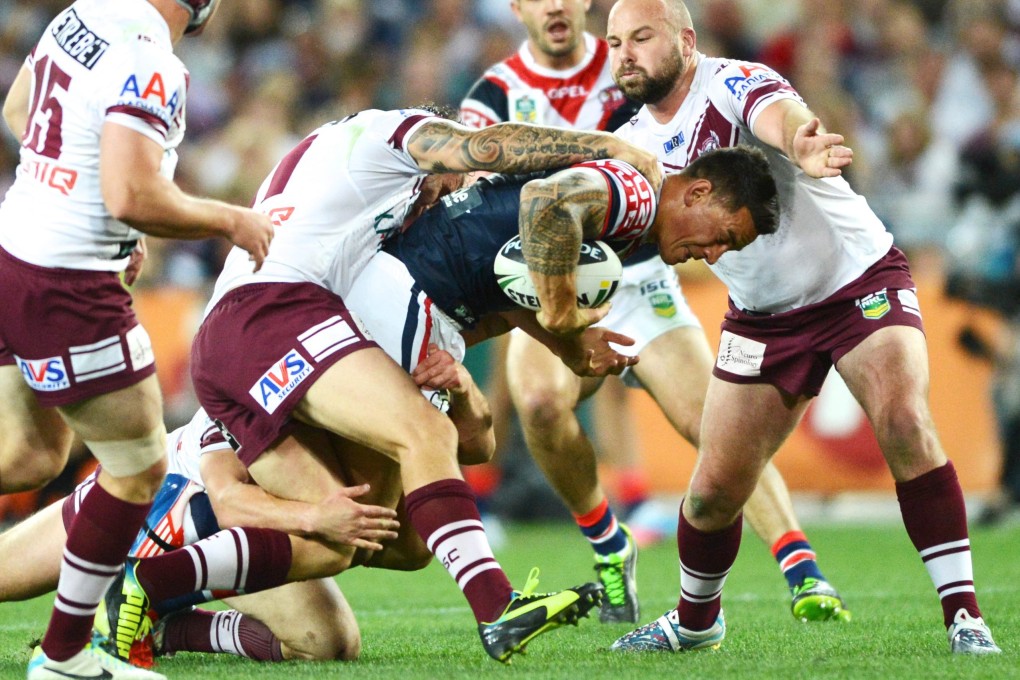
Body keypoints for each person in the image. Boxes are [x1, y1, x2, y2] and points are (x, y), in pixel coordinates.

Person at [107, 107, 662, 665]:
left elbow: (480, 425)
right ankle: (498, 608)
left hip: (254, 327)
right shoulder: (391, 133)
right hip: (271, 311)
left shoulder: (369, 216)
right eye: (453, 182)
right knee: (422, 432)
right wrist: (604, 147)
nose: (451, 198)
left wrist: (566, 346)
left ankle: (150, 587)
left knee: (363, 541)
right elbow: (488, 146)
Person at [602, 0, 1000, 655]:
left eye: (642, 37)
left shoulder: (730, 81)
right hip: (761, 316)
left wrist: (802, 142)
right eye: (616, 42)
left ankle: (965, 617)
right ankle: (696, 624)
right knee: (712, 494)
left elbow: (778, 115)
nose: (626, 54)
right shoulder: (634, 147)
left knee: (904, 421)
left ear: (687, 40)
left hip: (856, 282)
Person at [459, 0, 849, 626]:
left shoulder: (632, 68)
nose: (555, 5)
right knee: (537, 403)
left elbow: (688, 150)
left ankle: (802, 567)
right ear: (517, 8)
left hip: (640, 277)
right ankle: (608, 542)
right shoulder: (495, 94)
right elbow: (471, 177)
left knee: (713, 428)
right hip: (557, 280)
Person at [0, 1, 275, 678]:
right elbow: (131, 194)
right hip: (67, 282)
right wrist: (232, 220)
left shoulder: (84, 14)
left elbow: (18, 110)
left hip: (15, 249)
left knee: (27, 454)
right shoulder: (151, 59)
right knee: (139, 468)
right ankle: (65, 656)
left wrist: (88, 207)